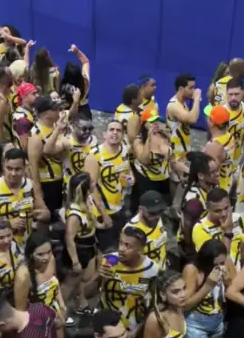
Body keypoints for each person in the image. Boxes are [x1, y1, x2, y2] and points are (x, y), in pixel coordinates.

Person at [99, 228, 158, 338]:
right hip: (110, 328)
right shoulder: (109, 260)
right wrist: (98, 277)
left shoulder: (152, 269)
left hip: (136, 329)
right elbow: (88, 293)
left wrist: (138, 329)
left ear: (140, 249)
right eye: (121, 243)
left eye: (128, 246)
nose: (121, 249)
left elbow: (154, 304)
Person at [14, 231, 68, 338]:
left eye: (49, 252)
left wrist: (62, 306)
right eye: (40, 254)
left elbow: (55, 284)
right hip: (36, 322)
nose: (46, 257)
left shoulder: (51, 260)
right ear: (30, 254)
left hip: (55, 313)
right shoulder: (23, 275)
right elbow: (20, 311)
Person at [182, 239, 233, 338]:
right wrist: (208, 286)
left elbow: (232, 293)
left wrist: (227, 282)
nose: (219, 267)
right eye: (215, 265)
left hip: (218, 321)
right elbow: (185, 305)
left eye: (222, 263)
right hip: (196, 323)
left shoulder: (225, 264)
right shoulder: (192, 270)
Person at [84, 120, 131, 249]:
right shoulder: (94, 156)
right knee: (107, 250)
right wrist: (104, 214)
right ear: (104, 134)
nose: (115, 133)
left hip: (120, 206)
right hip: (102, 211)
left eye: (119, 130)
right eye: (111, 129)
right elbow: (91, 188)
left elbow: (126, 171)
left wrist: (130, 177)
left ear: (123, 135)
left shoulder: (124, 151)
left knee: (120, 245)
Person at [64, 172, 99, 314]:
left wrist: (100, 225)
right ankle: (58, 310)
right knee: (70, 283)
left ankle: (82, 304)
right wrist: (75, 261)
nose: (94, 183)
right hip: (79, 249)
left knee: (85, 278)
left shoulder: (88, 200)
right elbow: (69, 238)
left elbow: (91, 219)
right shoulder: (74, 214)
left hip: (90, 245)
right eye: (92, 182)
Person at [27, 96, 68, 219]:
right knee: (50, 218)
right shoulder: (36, 134)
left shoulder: (55, 126)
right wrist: (38, 194)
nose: (59, 111)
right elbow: (33, 165)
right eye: (55, 109)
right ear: (45, 114)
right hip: (48, 183)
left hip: (60, 179)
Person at [126, 190, 167, 269]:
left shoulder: (157, 218)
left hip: (162, 267)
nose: (158, 216)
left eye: (160, 211)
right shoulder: (131, 231)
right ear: (141, 209)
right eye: (152, 213)